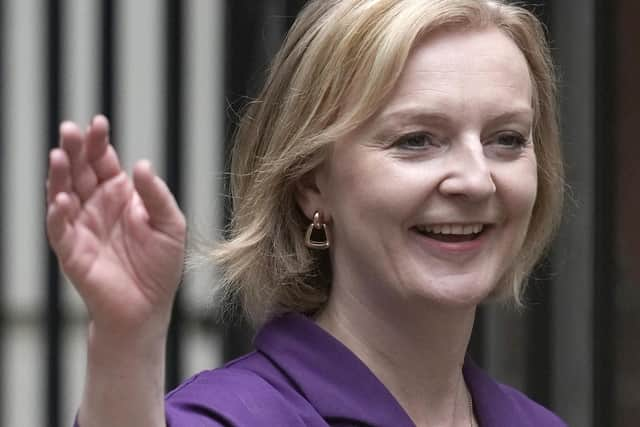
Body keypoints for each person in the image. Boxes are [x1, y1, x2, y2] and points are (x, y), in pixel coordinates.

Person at [46, 0, 567, 425]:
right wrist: (125, 339)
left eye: (506, 139)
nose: (476, 180)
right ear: (311, 183)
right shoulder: (237, 417)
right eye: (416, 140)